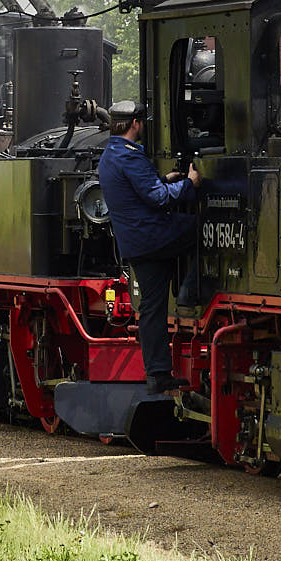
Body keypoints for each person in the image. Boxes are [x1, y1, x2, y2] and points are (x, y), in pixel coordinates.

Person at [96, 100, 201, 396]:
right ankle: (191, 289)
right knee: (197, 228)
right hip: (154, 237)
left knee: (152, 309)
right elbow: (157, 199)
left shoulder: (110, 155)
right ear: (136, 124)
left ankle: (158, 374)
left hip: (135, 243)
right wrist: (188, 184)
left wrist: (163, 179)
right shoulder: (130, 157)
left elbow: (142, 189)